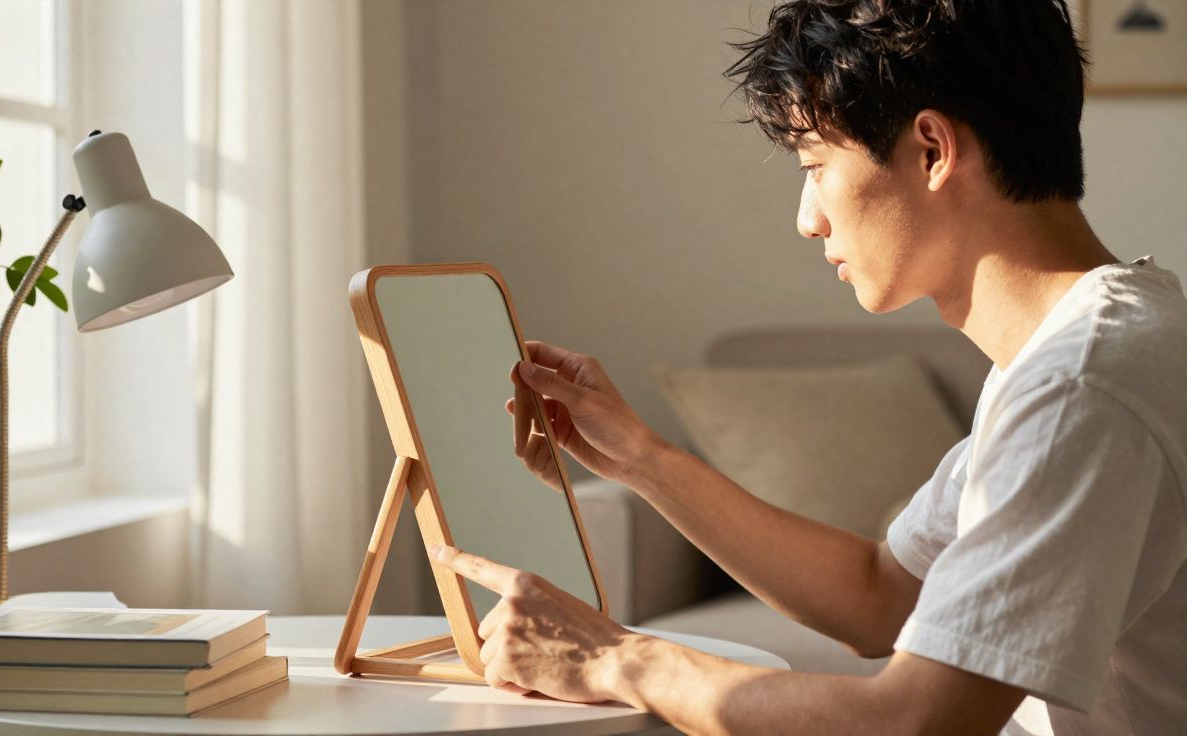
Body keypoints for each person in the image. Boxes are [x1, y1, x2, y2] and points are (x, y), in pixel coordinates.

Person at [427, 1, 1187, 734]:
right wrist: (643, 458)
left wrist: (614, 658)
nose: (807, 216)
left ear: (932, 150)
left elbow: (915, 721)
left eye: (815, 163)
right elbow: (882, 594)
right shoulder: (1080, 348)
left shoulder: (1081, 388)